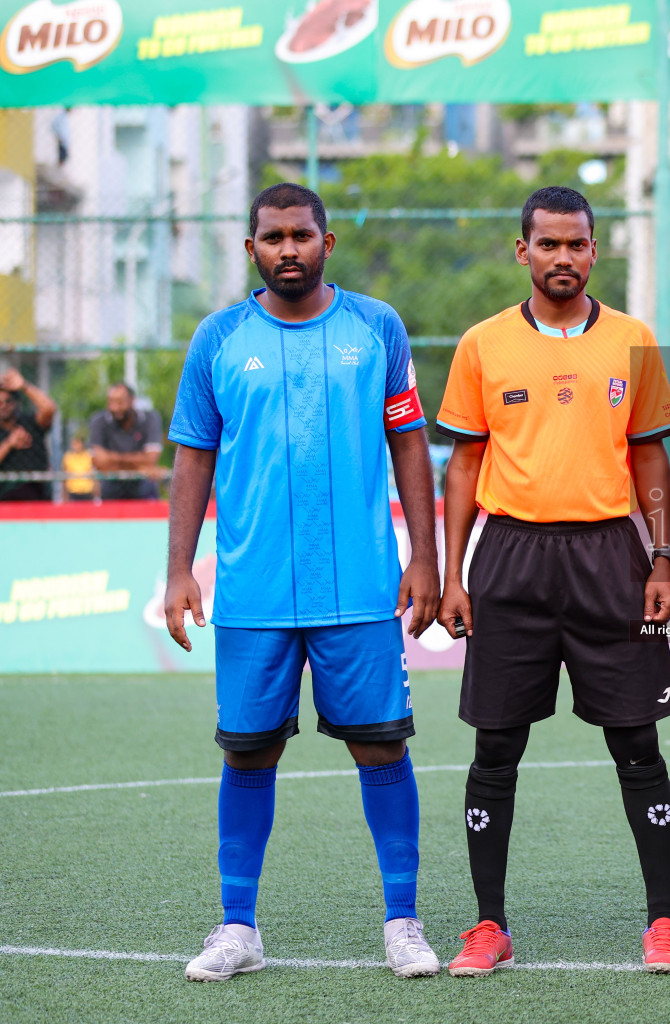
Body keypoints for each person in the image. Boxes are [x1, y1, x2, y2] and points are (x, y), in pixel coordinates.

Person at [164, 183, 442, 982]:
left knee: (381, 744)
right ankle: (238, 926)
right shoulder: (217, 338)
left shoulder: (375, 327)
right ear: (250, 247)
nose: (289, 248)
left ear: (328, 242)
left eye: (302, 234)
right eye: (273, 236)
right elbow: (193, 456)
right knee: (248, 755)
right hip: (253, 591)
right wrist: (180, 570)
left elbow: (410, 445)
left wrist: (424, 556)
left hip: (358, 584)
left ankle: (403, 921)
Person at [434, 186, 670, 977]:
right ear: (523, 252)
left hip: (612, 555)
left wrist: (663, 555)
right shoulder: (483, 344)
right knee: (496, 746)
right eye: (548, 245)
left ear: (594, 249)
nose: (563, 258)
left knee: (636, 742)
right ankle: (488, 925)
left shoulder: (632, 341)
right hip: (510, 556)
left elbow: (651, 454)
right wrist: (452, 574)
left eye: (577, 244)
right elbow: (465, 463)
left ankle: (663, 922)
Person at [89, 382, 164, 499]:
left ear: (132, 400)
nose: (114, 407)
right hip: (110, 495)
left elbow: (151, 459)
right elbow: (98, 462)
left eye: (120, 402)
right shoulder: (98, 421)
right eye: (111, 402)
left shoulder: (150, 419)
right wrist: (140, 465)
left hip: (144, 494)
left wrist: (111, 460)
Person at [0, 367, 56, 502]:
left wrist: (24, 386)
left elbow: (49, 408)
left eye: (7, 402)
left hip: (36, 496)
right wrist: (9, 444)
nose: (3, 406)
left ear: (16, 403)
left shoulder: (30, 423)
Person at [62, 434, 96, 501]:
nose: (76, 446)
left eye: (77, 443)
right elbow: (64, 477)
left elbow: (94, 475)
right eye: (74, 444)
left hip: (87, 492)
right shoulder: (68, 457)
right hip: (73, 492)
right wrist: (64, 496)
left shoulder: (89, 455)